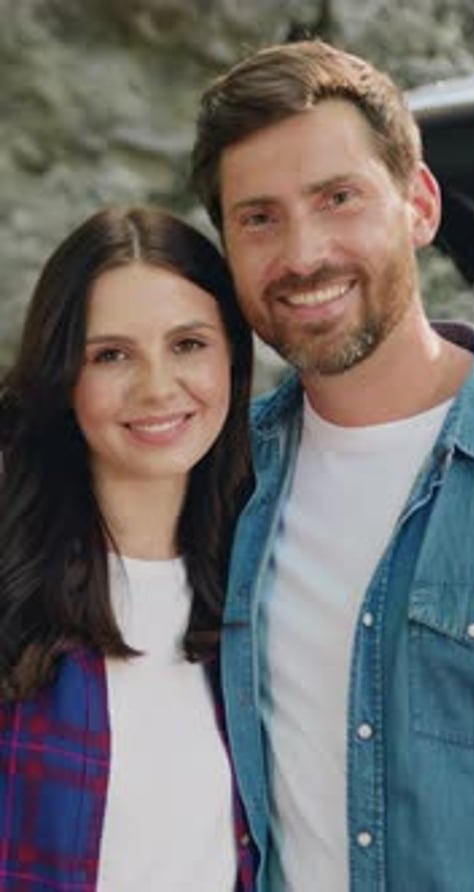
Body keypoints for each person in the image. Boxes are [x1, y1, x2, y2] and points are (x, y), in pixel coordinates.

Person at [191, 38, 474, 892]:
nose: (303, 255)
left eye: (338, 198)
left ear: (420, 205)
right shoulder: (216, 479)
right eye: (259, 218)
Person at [0, 206, 256, 891]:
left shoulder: (263, 582)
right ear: (63, 375)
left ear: (233, 356)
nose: (158, 388)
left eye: (188, 344)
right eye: (111, 355)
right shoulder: (12, 580)